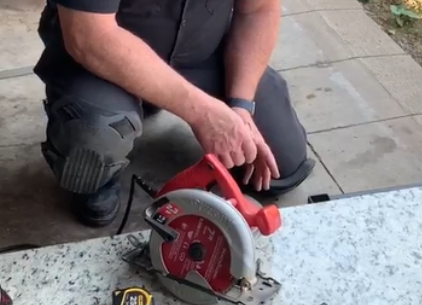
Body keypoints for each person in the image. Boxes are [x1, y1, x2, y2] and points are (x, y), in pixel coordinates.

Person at [33, 0, 315, 227]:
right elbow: (89, 37)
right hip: (107, 62)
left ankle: (157, 100)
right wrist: (204, 114)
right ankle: (97, 165)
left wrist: (241, 105)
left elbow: (259, 10)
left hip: (201, 54)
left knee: (282, 164)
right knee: (94, 137)